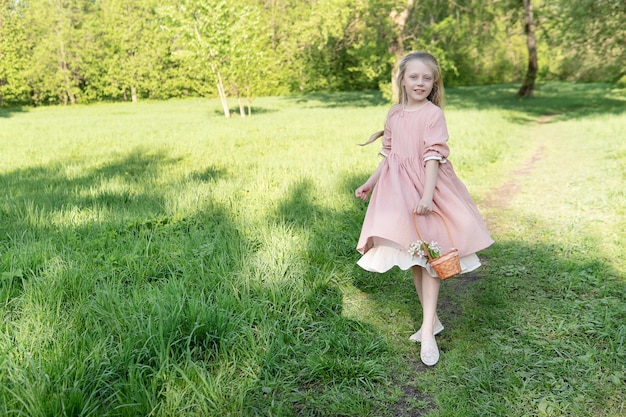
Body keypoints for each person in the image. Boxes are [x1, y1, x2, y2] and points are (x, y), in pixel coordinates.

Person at [354, 52, 493, 366]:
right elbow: (389, 155)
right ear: (402, 79)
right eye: (414, 77)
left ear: (434, 83)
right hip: (398, 191)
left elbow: (433, 157)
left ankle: (427, 331)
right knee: (415, 256)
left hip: (427, 190)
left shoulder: (432, 114)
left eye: (426, 78)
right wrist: (370, 183)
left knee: (431, 257)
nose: (420, 83)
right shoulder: (394, 113)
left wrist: (428, 196)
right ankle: (433, 322)